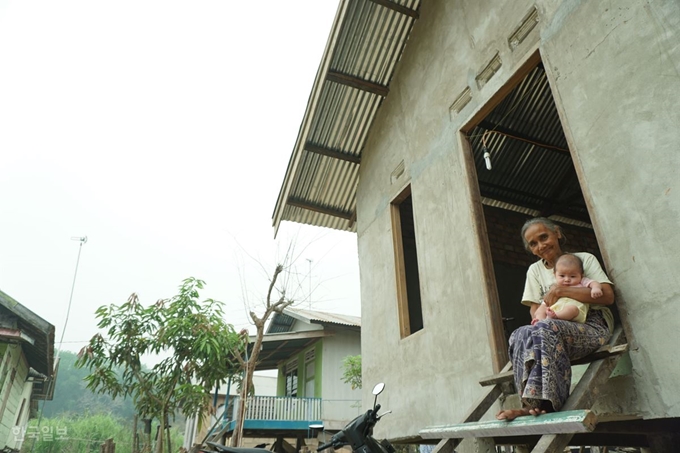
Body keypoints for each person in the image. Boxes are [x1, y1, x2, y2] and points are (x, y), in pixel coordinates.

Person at [496, 217, 615, 421]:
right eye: (533, 243)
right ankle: (529, 404)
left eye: (544, 237)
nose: (541, 246)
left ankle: (552, 404)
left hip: (592, 325)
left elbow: (607, 296)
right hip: (551, 326)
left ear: (557, 233)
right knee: (519, 333)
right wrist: (543, 318)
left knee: (546, 329)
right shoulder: (535, 270)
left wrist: (560, 290)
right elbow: (534, 310)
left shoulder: (583, 259)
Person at [532, 253, 603, 324]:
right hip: (554, 311)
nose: (567, 279)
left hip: (576, 312)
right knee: (540, 309)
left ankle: (555, 317)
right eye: (562, 276)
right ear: (555, 274)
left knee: (571, 309)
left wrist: (596, 288)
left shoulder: (581, 281)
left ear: (581, 275)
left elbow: (594, 283)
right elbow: (547, 301)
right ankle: (540, 321)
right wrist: (541, 309)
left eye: (572, 276)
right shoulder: (555, 287)